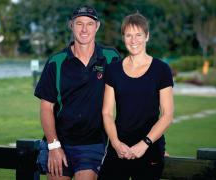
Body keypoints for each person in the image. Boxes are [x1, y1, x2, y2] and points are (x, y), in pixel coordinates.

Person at [34, 5, 120, 180]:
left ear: (97, 26)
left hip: (93, 142)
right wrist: (54, 146)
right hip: (59, 141)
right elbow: (46, 108)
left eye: (89, 23)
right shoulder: (56, 62)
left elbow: (129, 99)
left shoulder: (111, 58)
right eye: (79, 23)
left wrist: (152, 144)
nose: (84, 29)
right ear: (71, 26)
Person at [98, 12, 174, 180]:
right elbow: (107, 113)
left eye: (138, 35)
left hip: (149, 149)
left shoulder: (161, 70)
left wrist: (144, 144)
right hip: (119, 149)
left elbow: (167, 114)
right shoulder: (113, 70)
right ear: (123, 37)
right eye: (129, 35)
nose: (134, 40)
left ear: (147, 36)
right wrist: (116, 144)